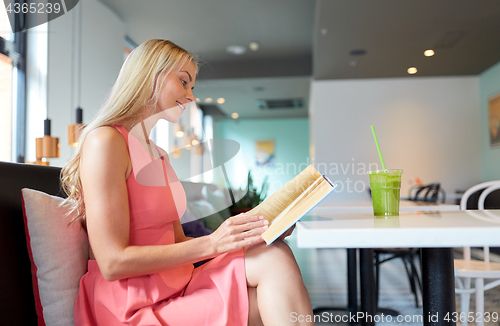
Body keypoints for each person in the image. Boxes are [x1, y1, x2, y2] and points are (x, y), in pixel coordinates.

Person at [61, 39, 314, 326]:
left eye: (191, 86)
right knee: (271, 281)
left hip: (175, 286)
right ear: (150, 76)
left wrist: (248, 236)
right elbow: (112, 263)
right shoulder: (106, 142)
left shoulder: (159, 155)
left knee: (273, 256)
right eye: (184, 82)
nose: (190, 96)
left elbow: (178, 243)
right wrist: (213, 243)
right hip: (129, 306)